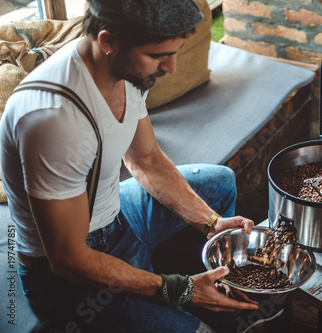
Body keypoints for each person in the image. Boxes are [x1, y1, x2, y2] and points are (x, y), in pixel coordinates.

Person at [0, 0, 259, 332]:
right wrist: (180, 288)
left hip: (117, 216)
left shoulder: (127, 72)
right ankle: (189, 301)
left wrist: (210, 222)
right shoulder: (53, 120)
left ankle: (210, 289)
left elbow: (145, 159)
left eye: (175, 52)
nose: (171, 67)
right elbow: (67, 259)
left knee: (219, 184)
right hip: (64, 270)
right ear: (108, 42)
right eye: (158, 56)